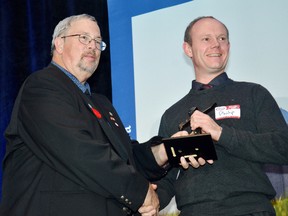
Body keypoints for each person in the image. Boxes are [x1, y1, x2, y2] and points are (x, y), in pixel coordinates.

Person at [0, 14, 195, 216]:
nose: (92, 46)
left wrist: (164, 151)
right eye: (84, 38)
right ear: (59, 44)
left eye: (98, 42)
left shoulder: (101, 103)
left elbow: (125, 157)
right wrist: (139, 192)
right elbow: (79, 151)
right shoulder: (42, 86)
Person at [155, 16, 288, 216]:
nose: (216, 44)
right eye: (206, 39)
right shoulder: (172, 114)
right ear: (188, 49)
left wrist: (221, 134)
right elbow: (168, 178)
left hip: (249, 209)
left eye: (222, 38)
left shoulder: (253, 93)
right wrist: (152, 199)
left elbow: (283, 146)